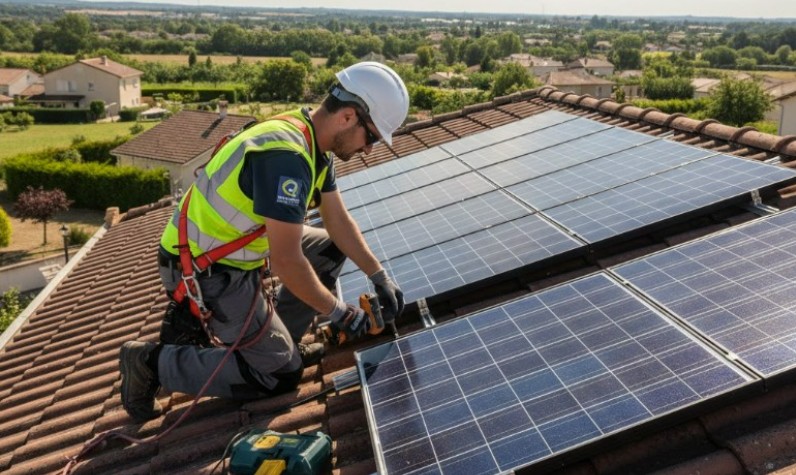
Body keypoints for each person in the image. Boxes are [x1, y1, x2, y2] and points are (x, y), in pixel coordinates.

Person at [119, 62, 409, 422]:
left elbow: (337, 222)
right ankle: (150, 362)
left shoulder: (311, 142)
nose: (369, 149)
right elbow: (287, 261)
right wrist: (337, 312)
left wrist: (378, 275)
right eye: (373, 137)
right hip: (205, 266)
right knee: (278, 376)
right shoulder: (286, 158)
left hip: (231, 247)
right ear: (348, 117)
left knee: (329, 249)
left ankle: (278, 340)